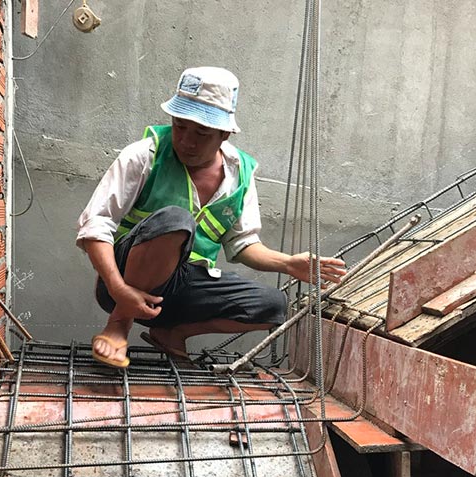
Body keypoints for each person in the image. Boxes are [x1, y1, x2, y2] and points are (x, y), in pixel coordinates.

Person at [76, 66, 345, 368]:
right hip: (122, 282)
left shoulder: (239, 172)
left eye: (201, 133)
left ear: (225, 134)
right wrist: (118, 288)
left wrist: (288, 264)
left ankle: (172, 333)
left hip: (183, 287)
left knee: (273, 306)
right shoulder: (144, 154)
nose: (186, 141)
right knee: (177, 220)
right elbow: (95, 224)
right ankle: (118, 325)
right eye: (180, 126)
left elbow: (242, 243)